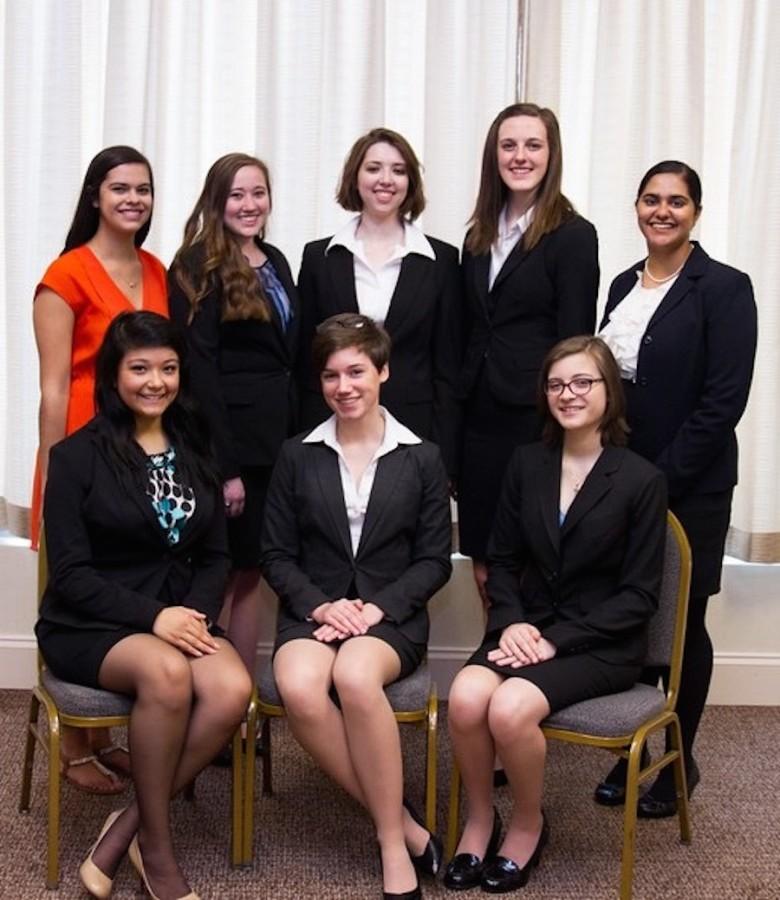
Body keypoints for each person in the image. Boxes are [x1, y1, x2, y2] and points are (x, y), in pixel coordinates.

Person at [35, 311, 252, 900]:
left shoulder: (195, 443)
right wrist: (155, 618)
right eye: (139, 369)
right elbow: (72, 575)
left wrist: (196, 613)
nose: (155, 381)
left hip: (182, 613)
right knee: (167, 671)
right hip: (93, 621)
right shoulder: (77, 456)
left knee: (233, 689)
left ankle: (127, 825)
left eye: (168, 368)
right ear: (114, 374)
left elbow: (215, 555)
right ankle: (157, 848)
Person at [444, 336, 666, 893]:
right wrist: (513, 621)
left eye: (582, 382)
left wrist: (555, 641)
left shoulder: (641, 480)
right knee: (468, 697)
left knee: (511, 707)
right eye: (556, 384)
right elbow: (505, 558)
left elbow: (638, 598)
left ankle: (527, 822)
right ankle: (479, 819)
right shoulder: (527, 463)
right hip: (525, 627)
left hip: (602, 644)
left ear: (608, 390)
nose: (568, 394)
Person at [262, 313, 452, 900]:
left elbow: (433, 562)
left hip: (388, 618)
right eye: (330, 375)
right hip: (312, 612)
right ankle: (406, 826)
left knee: (353, 673)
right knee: (297, 687)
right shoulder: (298, 454)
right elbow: (275, 554)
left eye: (356, 372)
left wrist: (374, 610)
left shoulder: (422, 457)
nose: (343, 387)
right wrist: (321, 607)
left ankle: (390, 845)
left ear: (383, 372)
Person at [597, 160, 757, 817]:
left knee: (683, 623)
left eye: (677, 201)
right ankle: (634, 746)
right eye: (651, 200)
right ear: (636, 206)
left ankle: (677, 762)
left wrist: (658, 478)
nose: (662, 211)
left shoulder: (723, 287)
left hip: (691, 486)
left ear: (696, 212)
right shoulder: (619, 285)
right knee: (631, 612)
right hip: (623, 484)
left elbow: (724, 402)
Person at [32, 145, 168, 794]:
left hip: (142, 454)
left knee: (126, 579)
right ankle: (76, 745)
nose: (133, 199)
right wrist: (53, 473)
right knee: (79, 586)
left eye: (143, 188)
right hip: (82, 456)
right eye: (120, 188)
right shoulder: (65, 275)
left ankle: (104, 733)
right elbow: (55, 387)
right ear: (95, 196)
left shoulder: (156, 269)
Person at [457, 103, 599, 604]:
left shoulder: (574, 236)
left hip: (535, 419)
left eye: (533, 145)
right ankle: (495, 663)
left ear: (551, 154)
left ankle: (531, 673)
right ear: (493, 155)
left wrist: (566, 424)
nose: (520, 156)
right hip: (478, 420)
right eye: (509, 145)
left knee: (532, 563)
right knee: (485, 567)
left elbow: (575, 341)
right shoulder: (477, 235)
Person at [169, 153, 299, 684]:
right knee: (217, 575)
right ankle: (209, 693)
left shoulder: (276, 260)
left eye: (258, 193)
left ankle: (239, 698)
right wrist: (226, 468)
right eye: (237, 195)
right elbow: (200, 372)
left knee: (251, 572)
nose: (250, 205)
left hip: (276, 443)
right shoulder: (197, 264)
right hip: (230, 449)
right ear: (216, 201)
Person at [296, 127, 462, 477]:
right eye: (374, 168)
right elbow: (305, 359)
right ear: (355, 177)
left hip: (414, 426)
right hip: (334, 425)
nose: (386, 179)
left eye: (398, 170)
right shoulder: (319, 257)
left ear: (410, 182)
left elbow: (447, 366)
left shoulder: (442, 260)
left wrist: (445, 454)